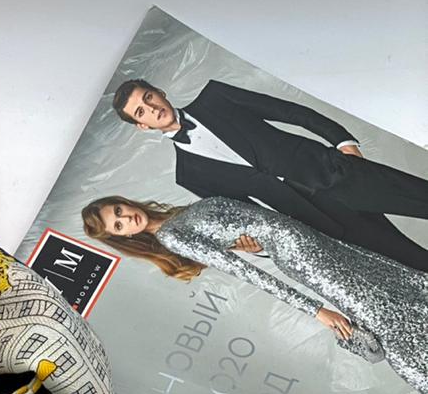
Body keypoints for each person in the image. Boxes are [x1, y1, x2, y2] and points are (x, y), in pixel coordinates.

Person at [81, 194, 428, 394]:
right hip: (308, 261)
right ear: (124, 237)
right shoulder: (172, 237)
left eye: (119, 211)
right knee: (387, 319)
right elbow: (247, 274)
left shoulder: (179, 215)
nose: (127, 218)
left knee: (401, 289)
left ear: (123, 202)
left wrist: (256, 244)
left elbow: (255, 227)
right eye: (119, 225)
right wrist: (317, 310)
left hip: (323, 244)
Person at [112, 78, 428, 273]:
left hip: (339, 172)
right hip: (320, 218)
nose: (151, 108)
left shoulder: (215, 97)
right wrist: (260, 247)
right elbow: (246, 213)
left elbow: (290, 112)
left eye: (148, 98)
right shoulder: (188, 175)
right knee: (411, 261)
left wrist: (343, 142)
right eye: (141, 112)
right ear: (142, 126)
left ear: (160, 92)